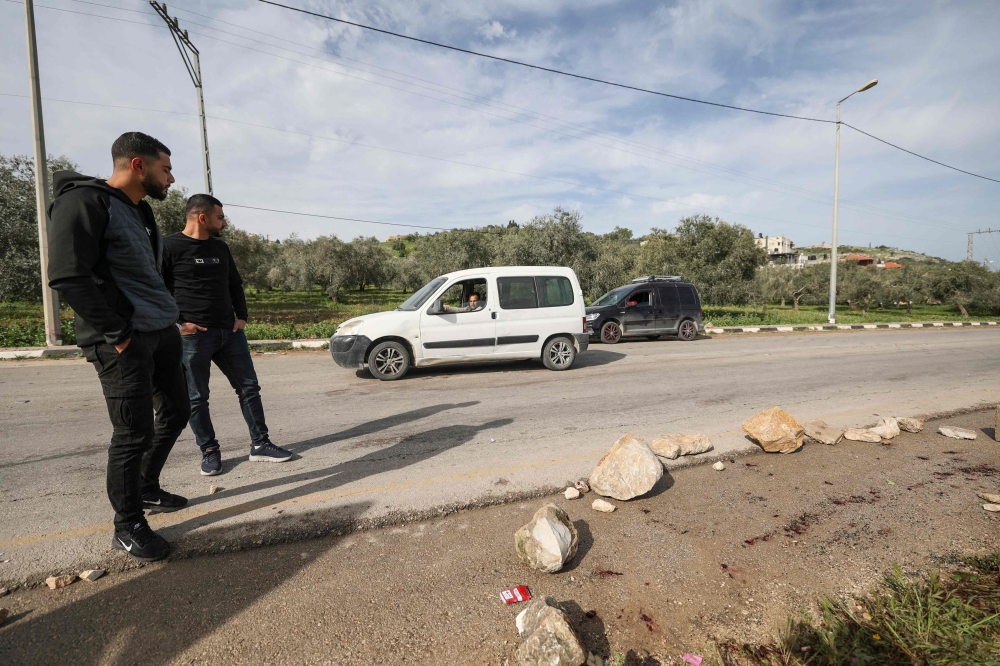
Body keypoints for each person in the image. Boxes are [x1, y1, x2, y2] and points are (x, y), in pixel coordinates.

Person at [47, 132, 190, 563]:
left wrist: (170, 315)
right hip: (121, 341)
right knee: (133, 432)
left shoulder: (142, 211)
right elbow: (69, 276)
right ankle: (127, 526)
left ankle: (146, 488)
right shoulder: (84, 202)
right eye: (165, 168)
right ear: (138, 166)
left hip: (161, 331)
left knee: (179, 412)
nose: (171, 177)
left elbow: (148, 274)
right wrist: (118, 332)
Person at [161, 195, 293, 476]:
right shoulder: (169, 246)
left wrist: (242, 317)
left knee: (249, 389)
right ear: (202, 218)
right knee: (197, 398)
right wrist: (178, 323)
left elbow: (235, 283)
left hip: (229, 333)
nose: (224, 222)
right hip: (193, 336)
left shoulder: (220, 247)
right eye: (220, 217)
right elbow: (157, 289)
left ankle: (260, 444)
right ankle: (209, 451)